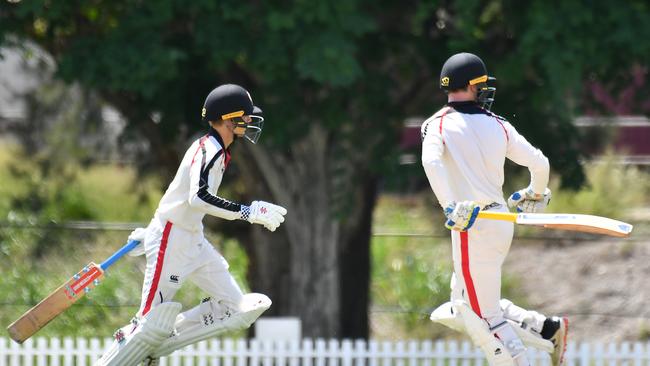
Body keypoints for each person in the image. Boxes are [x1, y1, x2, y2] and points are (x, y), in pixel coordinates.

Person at [96, 84, 287, 366]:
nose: (249, 121)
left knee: (236, 309)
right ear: (228, 118)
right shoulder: (208, 150)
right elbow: (198, 198)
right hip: (172, 239)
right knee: (149, 322)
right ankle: (142, 341)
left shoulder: (218, 151)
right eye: (245, 116)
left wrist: (152, 229)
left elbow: (180, 195)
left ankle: (160, 341)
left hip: (192, 238)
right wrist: (247, 212)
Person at [421, 53, 568, 366]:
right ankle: (545, 329)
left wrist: (450, 207)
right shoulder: (498, 125)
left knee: (483, 317)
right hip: (500, 220)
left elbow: (431, 162)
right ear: (473, 86)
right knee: (463, 306)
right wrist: (535, 193)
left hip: (470, 225)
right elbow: (540, 164)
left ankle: (524, 355)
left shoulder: (438, 125)